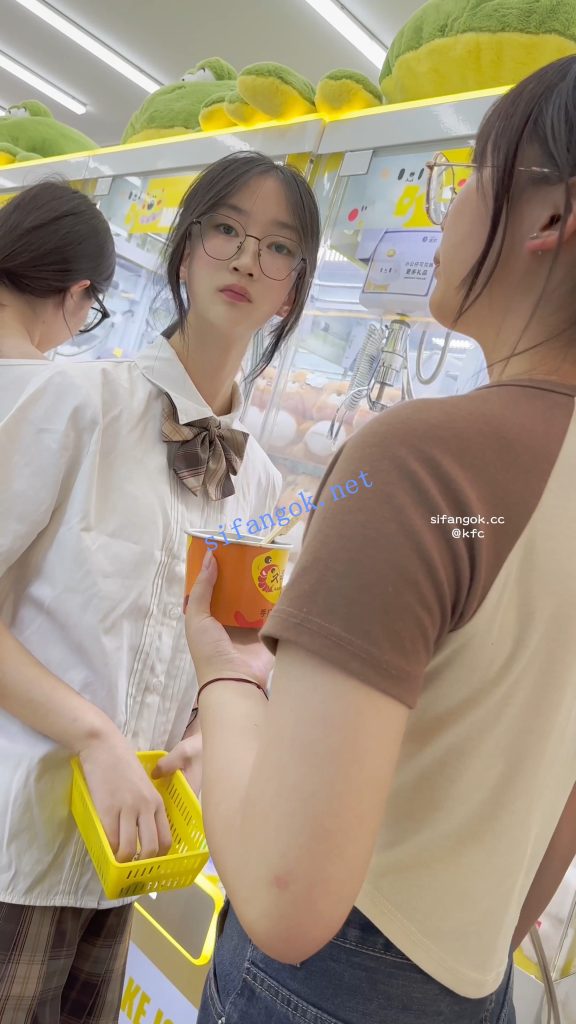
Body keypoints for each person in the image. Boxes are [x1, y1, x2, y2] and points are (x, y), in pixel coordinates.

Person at [163, 56, 576, 1024]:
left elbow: (285, 900)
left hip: (329, 976)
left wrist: (222, 673)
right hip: (469, 974)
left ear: (553, 217)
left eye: (470, 174)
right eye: (227, 233)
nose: (449, 208)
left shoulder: (423, 461)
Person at [0, 157, 320, 1022]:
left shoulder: (261, 488)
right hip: (16, 841)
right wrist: (95, 735)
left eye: (278, 247)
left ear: (293, 290)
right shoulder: (76, 402)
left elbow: (236, 654)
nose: (247, 258)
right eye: (227, 230)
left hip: (135, 855)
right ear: (185, 252)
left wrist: (205, 737)